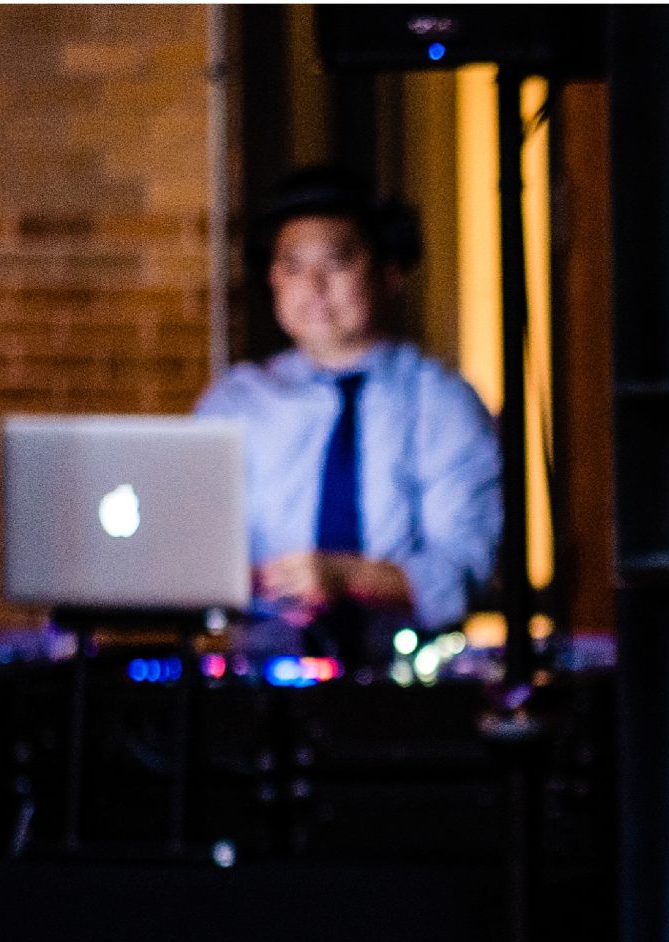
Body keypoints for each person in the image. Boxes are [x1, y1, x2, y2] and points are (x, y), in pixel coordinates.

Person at [198, 165, 501, 643]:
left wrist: (348, 577)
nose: (313, 286)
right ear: (272, 280)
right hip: (261, 670)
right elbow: (193, 547)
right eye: (292, 266)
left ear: (389, 273)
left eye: (337, 263)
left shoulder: (441, 401)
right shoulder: (237, 402)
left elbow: (465, 568)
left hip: (407, 680)